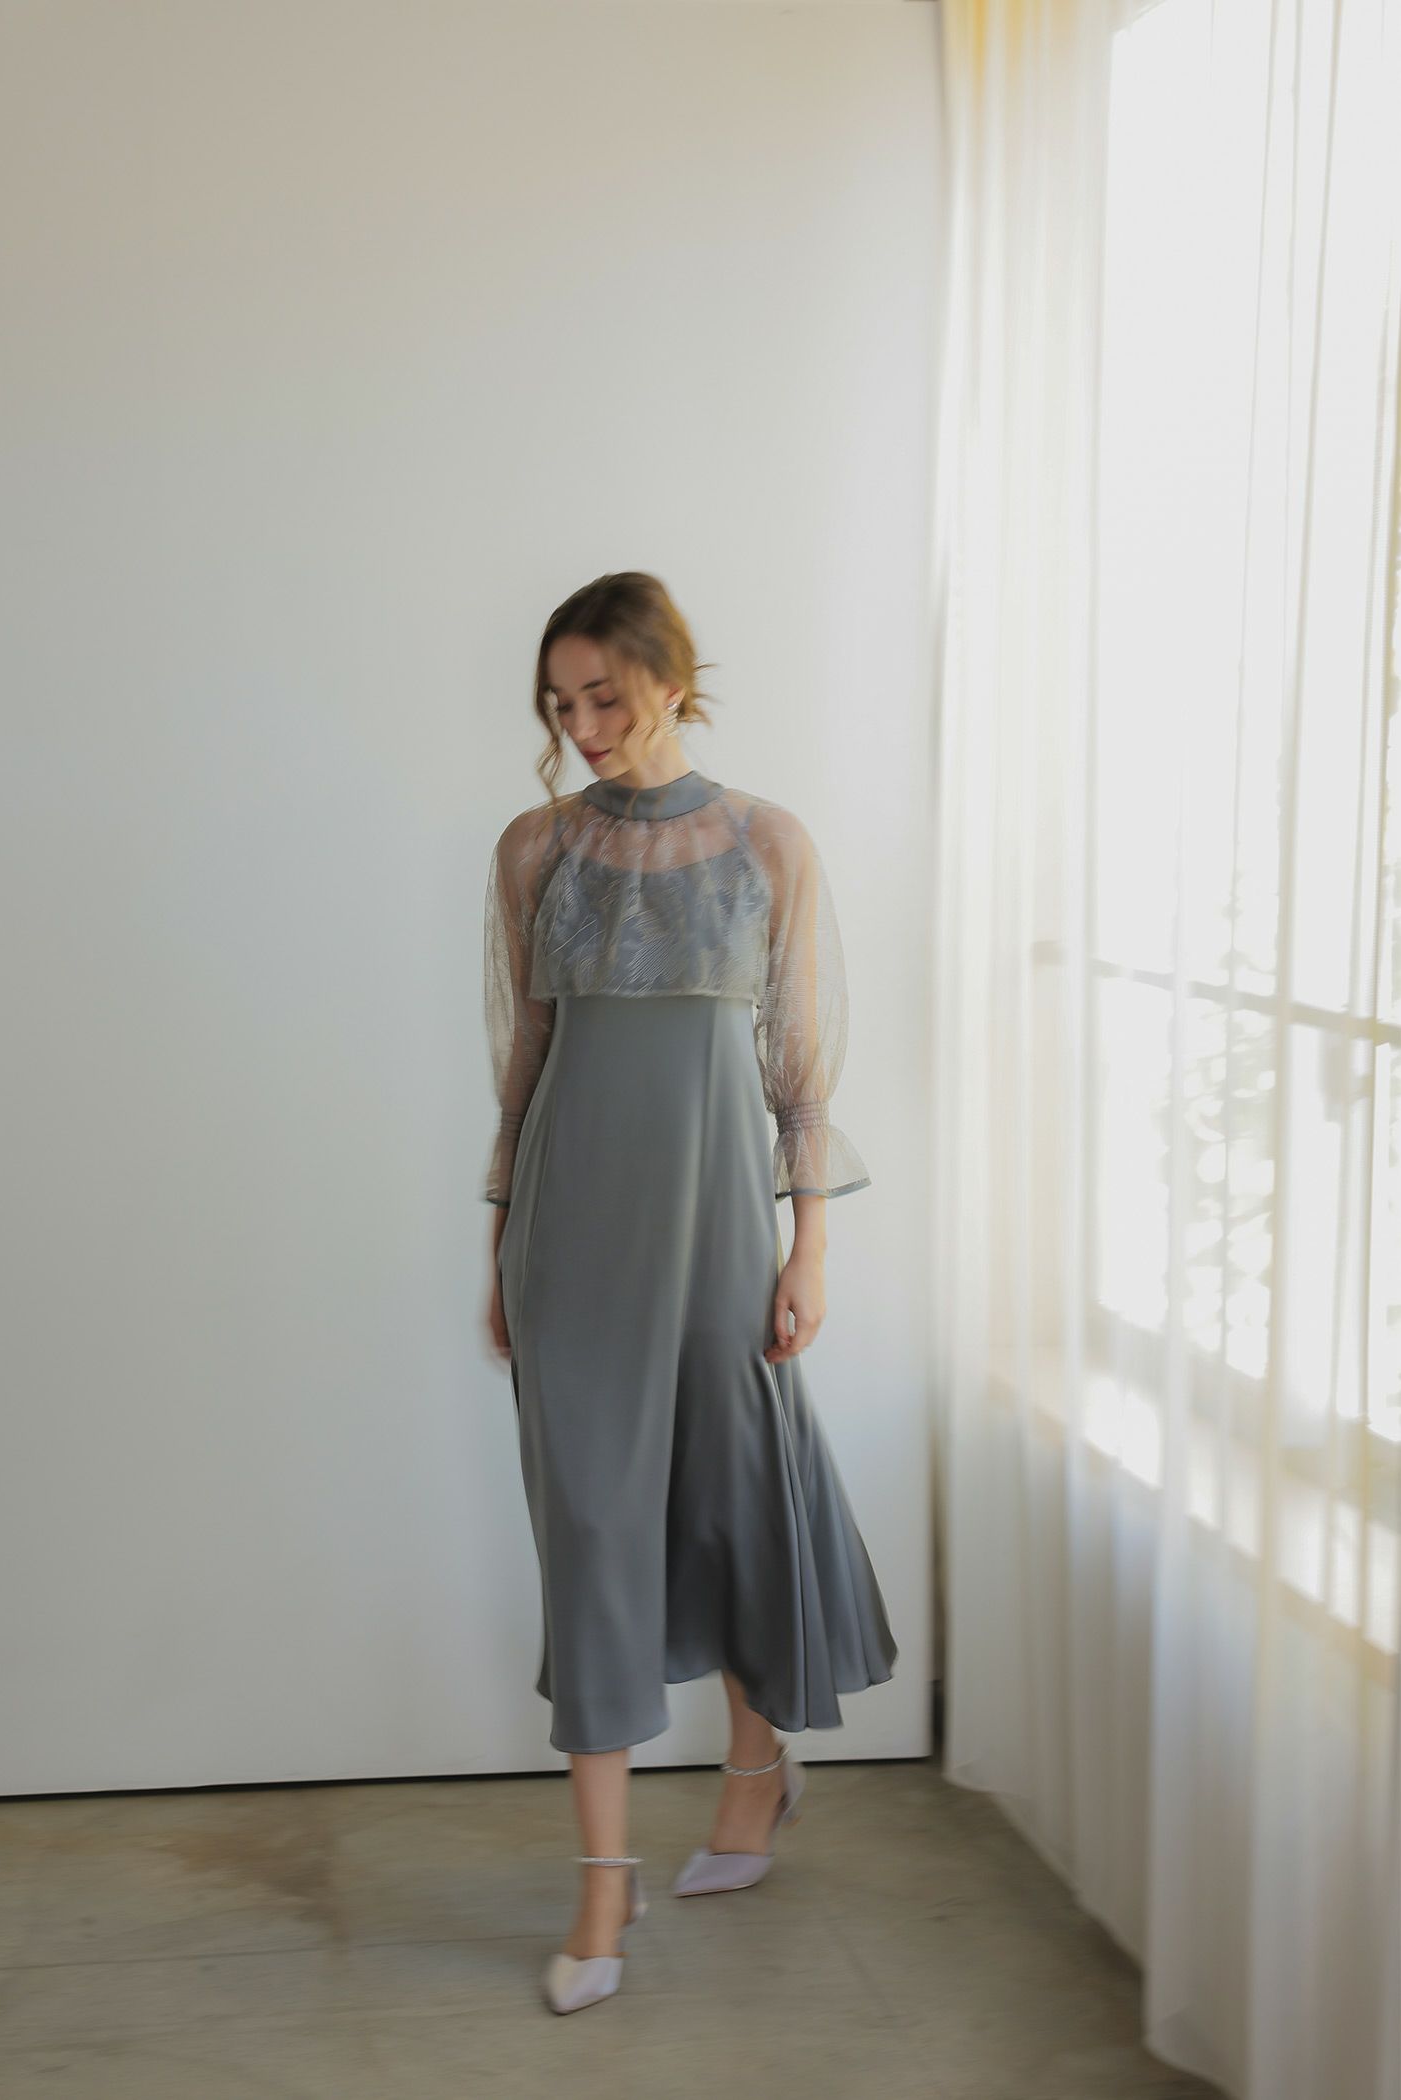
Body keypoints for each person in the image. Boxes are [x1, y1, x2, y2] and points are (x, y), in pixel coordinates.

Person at [481, 571, 898, 2014]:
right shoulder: (535, 849)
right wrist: (498, 1245)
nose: (582, 726)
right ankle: (604, 1888)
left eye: (603, 695)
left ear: (670, 677)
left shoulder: (769, 844)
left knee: (731, 1501)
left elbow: (801, 1071)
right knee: (592, 1531)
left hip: (723, 1229)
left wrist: (809, 1247)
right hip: (570, 1234)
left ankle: (756, 1769)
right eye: (559, 705)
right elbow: (522, 1059)